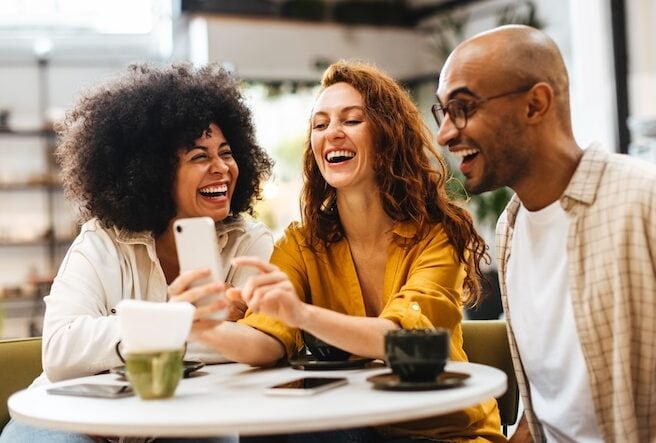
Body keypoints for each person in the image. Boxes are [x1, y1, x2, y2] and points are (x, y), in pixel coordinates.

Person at [171, 61, 505, 442]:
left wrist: (302, 314)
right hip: (360, 427)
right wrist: (206, 329)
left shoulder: (436, 235)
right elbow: (266, 340)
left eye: (351, 120)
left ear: (387, 136)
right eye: (320, 124)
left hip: (444, 431)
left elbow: (402, 342)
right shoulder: (301, 243)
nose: (332, 134)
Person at [0, 63, 274, 443]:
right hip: (75, 417)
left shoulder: (249, 242)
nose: (221, 168)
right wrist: (184, 322)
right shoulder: (102, 240)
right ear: (156, 173)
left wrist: (126, 337)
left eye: (226, 153)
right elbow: (61, 352)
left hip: (187, 418)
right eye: (199, 157)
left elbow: (260, 346)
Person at [434, 25, 656, 442]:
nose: (445, 133)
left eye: (462, 107)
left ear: (535, 104)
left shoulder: (642, 202)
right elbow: (545, 419)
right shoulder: (511, 228)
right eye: (442, 112)